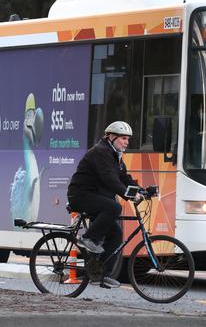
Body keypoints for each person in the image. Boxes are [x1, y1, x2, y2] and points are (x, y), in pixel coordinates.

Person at [67, 121, 143, 289]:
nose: (126, 142)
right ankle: (88, 238)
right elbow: (110, 179)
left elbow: (124, 178)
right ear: (111, 137)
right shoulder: (101, 152)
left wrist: (142, 191)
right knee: (115, 207)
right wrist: (128, 195)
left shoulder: (115, 155)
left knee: (116, 234)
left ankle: (101, 274)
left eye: (127, 139)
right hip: (81, 195)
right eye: (123, 138)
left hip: (95, 196)